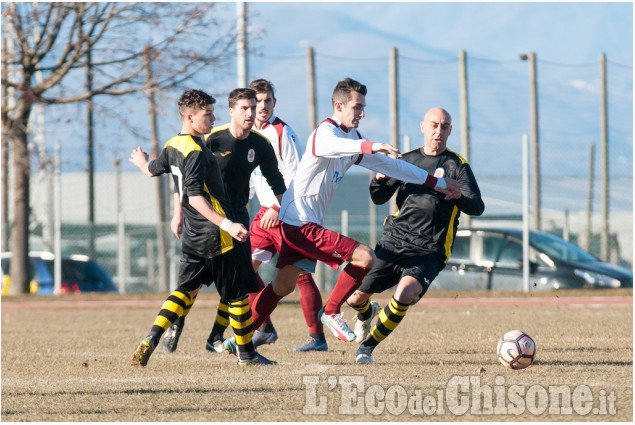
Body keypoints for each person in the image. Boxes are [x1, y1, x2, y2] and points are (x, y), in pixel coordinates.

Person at [239, 78, 462, 348]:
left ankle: (242, 343)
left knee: (281, 287)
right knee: (366, 256)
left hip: (299, 222)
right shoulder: (325, 133)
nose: (362, 113)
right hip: (298, 223)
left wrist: (437, 183)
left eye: (363, 107)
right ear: (339, 105)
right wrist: (369, 146)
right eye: (357, 107)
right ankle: (331, 311)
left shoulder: (352, 138)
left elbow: (396, 168)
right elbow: (336, 147)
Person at [129, 89, 275, 366]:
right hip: (218, 234)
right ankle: (247, 356)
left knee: (184, 291)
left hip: (193, 236)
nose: (213, 118)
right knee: (237, 296)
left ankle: (152, 337)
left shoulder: (173, 144)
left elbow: (151, 170)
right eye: (207, 114)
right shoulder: (197, 152)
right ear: (189, 117)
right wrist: (229, 224)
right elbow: (195, 197)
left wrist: (141, 162)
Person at [346, 107, 485, 364]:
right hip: (394, 242)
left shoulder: (457, 166)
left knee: (405, 291)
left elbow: (477, 206)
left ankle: (367, 347)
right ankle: (366, 314)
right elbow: (378, 198)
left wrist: (460, 197)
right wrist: (379, 179)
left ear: (450, 131)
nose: (438, 132)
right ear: (423, 127)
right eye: (434, 125)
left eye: (444, 127)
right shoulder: (406, 161)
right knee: (354, 297)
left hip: (430, 249)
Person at [162, 87, 287, 354]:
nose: (252, 113)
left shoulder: (260, 144)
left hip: (238, 219)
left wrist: (283, 208)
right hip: (207, 220)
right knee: (193, 284)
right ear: (231, 111)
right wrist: (178, 213)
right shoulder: (211, 138)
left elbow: (277, 182)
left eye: (254, 107)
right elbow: (184, 180)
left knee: (237, 282)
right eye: (245, 107)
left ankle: (216, 337)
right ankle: (177, 321)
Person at [246, 79, 329, 351]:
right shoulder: (246, 134)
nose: (262, 106)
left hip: (285, 214)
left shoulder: (282, 132)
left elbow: (295, 177)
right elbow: (249, 178)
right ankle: (266, 327)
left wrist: (276, 207)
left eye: (267, 100)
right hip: (263, 216)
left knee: (299, 274)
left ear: (274, 103)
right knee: (244, 272)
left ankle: (317, 338)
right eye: (257, 101)